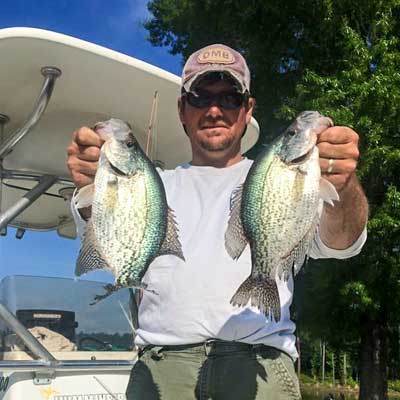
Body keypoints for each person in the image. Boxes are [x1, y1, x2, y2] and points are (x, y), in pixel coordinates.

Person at [67, 44, 368, 399]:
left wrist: (343, 185)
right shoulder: (150, 184)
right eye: (200, 97)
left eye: (229, 98)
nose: (214, 110)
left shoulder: (281, 178)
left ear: (248, 109)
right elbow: (102, 237)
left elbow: (342, 244)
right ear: (182, 109)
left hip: (260, 363)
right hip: (163, 365)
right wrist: (92, 183)